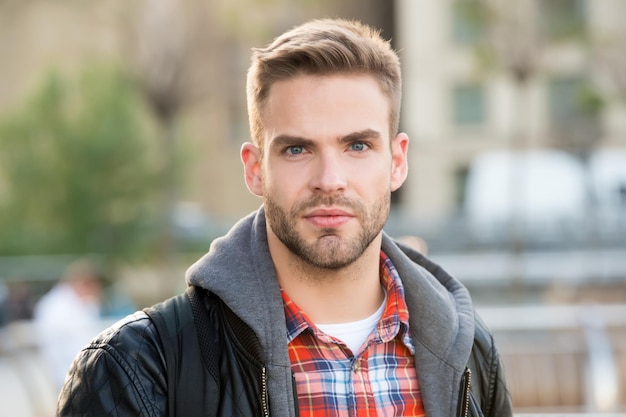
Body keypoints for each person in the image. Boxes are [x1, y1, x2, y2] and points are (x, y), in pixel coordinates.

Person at [57, 18, 512, 416]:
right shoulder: (135, 367)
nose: (330, 179)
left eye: (357, 145)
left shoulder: (471, 353)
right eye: (297, 149)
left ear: (397, 162)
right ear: (255, 169)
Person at [33, 259, 103, 391]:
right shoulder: (61, 308)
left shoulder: (63, 302)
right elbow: (82, 345)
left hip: (72, 371)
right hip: (72, 374)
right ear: (85, 283)